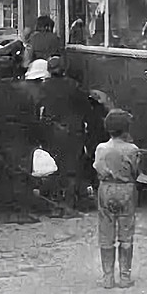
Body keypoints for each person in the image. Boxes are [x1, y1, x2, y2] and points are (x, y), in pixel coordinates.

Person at [0, 57, 43, 224]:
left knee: (3, 171)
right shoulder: (24, 92)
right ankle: (21, 211)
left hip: (1, 134)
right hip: (21, 135)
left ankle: (5, 211)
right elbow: (32, 116)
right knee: (21, 172)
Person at [93, 109, 141, 289]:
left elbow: (98, 168)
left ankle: (107, 277)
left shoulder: (101, 148)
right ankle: (125, 276)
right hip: (126, 189)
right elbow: (136, 172)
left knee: (106, 232)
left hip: (106, 188)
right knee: (126, 233)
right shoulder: (132, 150)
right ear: (126, 129)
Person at [40, 56, 92, 216]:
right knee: (73, 167)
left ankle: (55, 203)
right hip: (73, 130)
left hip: (52, 130)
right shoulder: (73, 86)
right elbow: (86, 108)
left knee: (54, 167)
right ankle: (71, 203)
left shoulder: (44, 87)